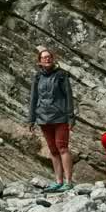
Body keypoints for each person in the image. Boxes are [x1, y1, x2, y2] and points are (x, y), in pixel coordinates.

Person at [27, 48, 76, 192]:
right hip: (43, 118)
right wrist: (31, 119)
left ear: (53, 59)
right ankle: (58, 181)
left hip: (60, 117)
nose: (47, 59)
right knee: (53, 151)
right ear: (39, 61)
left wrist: (71, 117)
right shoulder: (37, 77)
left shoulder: (61, 75)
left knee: (63, 148)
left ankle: (68, 182)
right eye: (44, 58)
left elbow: (68, 96)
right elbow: (33, 98)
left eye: (49, 57)